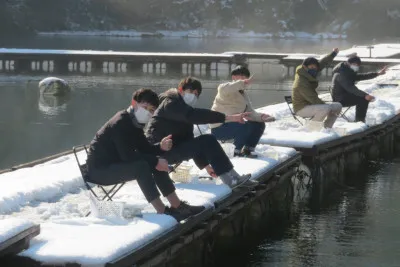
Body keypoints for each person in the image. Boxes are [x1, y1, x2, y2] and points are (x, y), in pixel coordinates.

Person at [86, 88, 205, 222]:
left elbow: (145, 149)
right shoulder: (120, 122)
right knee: (141, 167)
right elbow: (128, 156)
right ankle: (163, 211)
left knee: (155, 161)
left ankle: (177, 206)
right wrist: (155, 161)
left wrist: (160, 146)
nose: (148, 112)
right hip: (99, 170)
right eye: (145, 107)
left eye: (151, 110)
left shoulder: (134, 123)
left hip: (114, 163)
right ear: (134, 103)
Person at [145, 77, 257, 189]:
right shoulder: (170, 103)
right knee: (208, 140)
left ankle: (234, 178)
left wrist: (206, 166)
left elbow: (190, 142)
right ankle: (231, 180)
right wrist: (229, 118)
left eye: (197, 94)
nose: (194, 96)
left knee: (207, 140)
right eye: (191, 92)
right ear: (180, 89)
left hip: (171, 149)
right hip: (157, 152)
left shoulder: (184, 110)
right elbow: (194, 115)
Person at [210, 65, 274, 158]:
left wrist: (262, 117)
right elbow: (230, 87)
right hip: (219, 128)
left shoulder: (243, 94)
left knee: (259, 124)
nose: (244, 80)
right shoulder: (224, 89)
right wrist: (242, 82)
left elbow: (250, 112)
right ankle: (236, 152)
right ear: (233, 77)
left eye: (246, 78)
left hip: (234, 125)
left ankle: (248, 150)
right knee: (244, 125)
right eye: (242, 77)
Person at [292, 48, 343, 128]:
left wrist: (333, 54)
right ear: (305, 67)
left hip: (310, 104)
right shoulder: (301, 82)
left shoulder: (308, 72)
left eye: (315, 67)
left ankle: (327, 128)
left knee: (337, 106)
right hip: (301, 108)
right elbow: (313, 99)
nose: (314, 69)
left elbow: (323, 63)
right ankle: (311, 129)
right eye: (312, 67)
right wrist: (329, 108)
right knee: (325, 108)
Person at [332, 55, 387, 122]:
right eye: (355, 64)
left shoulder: (347, 70)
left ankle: (360, 120)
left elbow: (361, 76)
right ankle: (359, 121)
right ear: (349, 63)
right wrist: (365, 95)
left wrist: (377, 74)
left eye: (358, 65)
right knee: (363, 99)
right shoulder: (341, 74)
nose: (357, 66)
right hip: (340, 99)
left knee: (362, 98)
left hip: (345, 95)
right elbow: (350, 88)